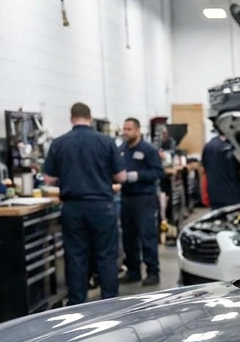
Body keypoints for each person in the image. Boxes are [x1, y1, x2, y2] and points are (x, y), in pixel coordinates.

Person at [44, 102, 126, 304]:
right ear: (90, 118)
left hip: (73, 208)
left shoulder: (59, 143)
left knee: (76, 257)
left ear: (72, 118)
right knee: (106, 256)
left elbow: (48, 179)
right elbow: (122, 176)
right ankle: (109, 303)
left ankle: (77, 305)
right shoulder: (106, 142)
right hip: (101, 207)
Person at [118, 117, 165, 286]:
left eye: (129, 129)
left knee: (147, 236)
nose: (126, 132)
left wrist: (138, 176)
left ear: (138, 130)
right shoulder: (121, 149)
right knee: (128, 238)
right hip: (126, 198)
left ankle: (153, 272)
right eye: (124, 128)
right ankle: (133, 271)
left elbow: (158, 172)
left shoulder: (148, 150)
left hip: (144, 199)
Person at [198, 130, 240, 208]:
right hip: (233, 199)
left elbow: (203, 172)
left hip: (214, 197)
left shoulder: (208, 146)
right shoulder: (234, 147)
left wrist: (204, 195)